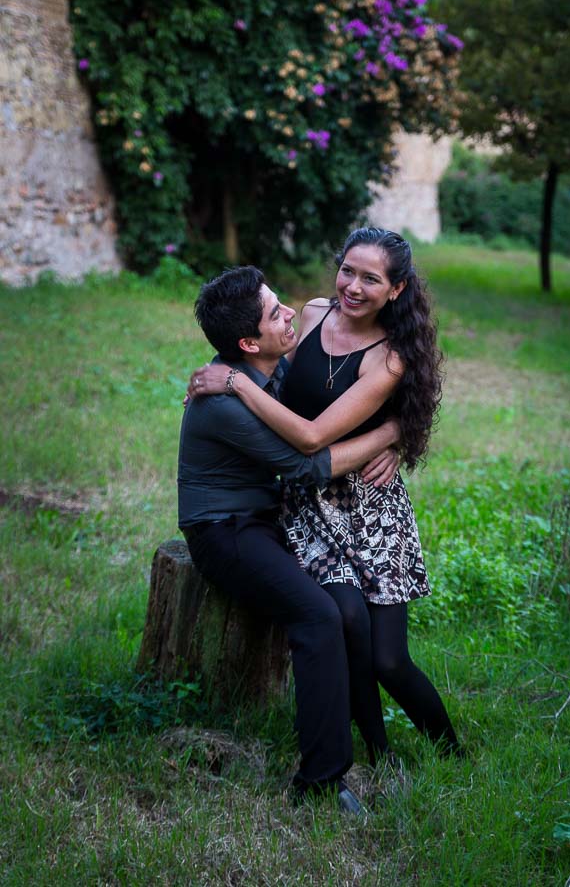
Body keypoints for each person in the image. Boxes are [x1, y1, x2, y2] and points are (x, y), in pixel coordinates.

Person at [188, 229, 462, 767]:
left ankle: (452, 753)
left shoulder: (391, 357)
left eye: (371, 279)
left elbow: (313, 437)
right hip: (306, 508)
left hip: (369, 507)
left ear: (397, 290)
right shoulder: (312, 314)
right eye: (348, 271)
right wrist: (229, 373)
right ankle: (377, 753)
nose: (353, 287)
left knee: (388, 658)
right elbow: (272, 373)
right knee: (345, 621)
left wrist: (396, 435)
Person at [178, 265, 403, 813]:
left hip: (269, 516)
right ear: (248, 341)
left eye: (281, 303)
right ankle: (323, 779)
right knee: (318, 614)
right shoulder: (225, 401)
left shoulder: (264, 369)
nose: (289, 313)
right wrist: (394, 432)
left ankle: (376, 743)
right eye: (276, 312)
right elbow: (307, 466)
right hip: (225, 531)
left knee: (347, 607)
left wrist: (394, 442)